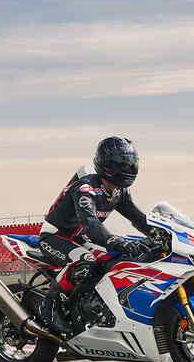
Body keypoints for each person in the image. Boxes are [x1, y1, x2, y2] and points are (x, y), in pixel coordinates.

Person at [36, 136, 152, 335]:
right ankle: (49, 308)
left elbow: (138, 218)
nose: (130, 166)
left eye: (131, 161)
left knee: (117, 259)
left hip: (81, 238)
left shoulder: (119, 192)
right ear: (109, 164)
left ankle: (88, 308)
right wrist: (115, 241)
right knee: (85, 261)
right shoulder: (86, 187)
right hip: (55, 236)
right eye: (124, 162)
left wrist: (159, 233)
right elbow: (91, 224)